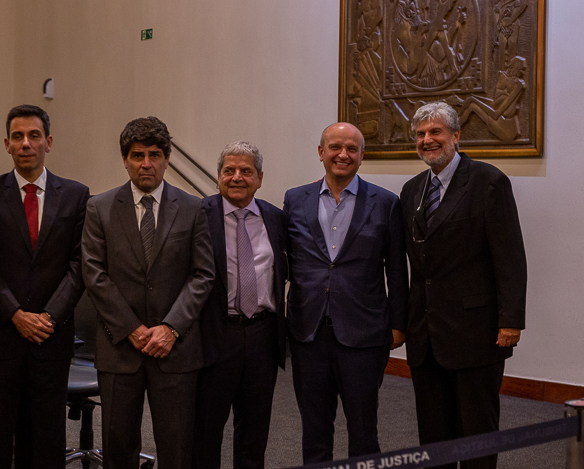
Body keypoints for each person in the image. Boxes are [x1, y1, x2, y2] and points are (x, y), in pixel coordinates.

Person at [79, 116, 214, 469]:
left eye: (155, 155)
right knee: (118, 446)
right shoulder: (100, 208)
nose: (146, 164)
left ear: (167, 158)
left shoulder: (194, 208)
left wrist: (170, 328)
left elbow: (202, 275)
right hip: (120, 348)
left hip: (176, 349)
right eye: (138, 155)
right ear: (125, 159)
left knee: (177, 447)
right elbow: (94, 274)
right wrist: (133, 329)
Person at [399, 101, 526, 469]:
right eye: (421, 134)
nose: (427, 140)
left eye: (436, 132)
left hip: (476, 332)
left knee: (476, 431)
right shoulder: (411, 191)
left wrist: (511, 319)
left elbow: (510, 257)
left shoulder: (489, 182)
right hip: (426, 333)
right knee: (433, 433)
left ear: (456, 136)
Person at [282, 122, 406, 464]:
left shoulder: (386, 203)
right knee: (314, 428)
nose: (343, 154)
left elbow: (396, 269)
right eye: (335, 147)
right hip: (308, 333)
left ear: (362, 156)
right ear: (321, 153)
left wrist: (398, 323)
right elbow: (284, 262)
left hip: (364, 335)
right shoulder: (294, 199)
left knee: (365, 429)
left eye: (352, 149)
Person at [0, 104, 89, 469]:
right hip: (1, 334)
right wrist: (16, 315)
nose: (26, 143)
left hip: (51, 337)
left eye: (34, 136)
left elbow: (79, 266)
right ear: (6, 144)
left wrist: (48, 317)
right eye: (18, 137)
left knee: (46, 436)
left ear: (49, 142)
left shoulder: (75, 195)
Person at [193, 141, 289, 469]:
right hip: (215, 335)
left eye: (246, 171)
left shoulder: (276, 218)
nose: (237, 177)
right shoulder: (196, 215)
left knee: (254, 431)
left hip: (263, 335)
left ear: (260, 178)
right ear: (218, 176)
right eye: (229, 170)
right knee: (206, 430)